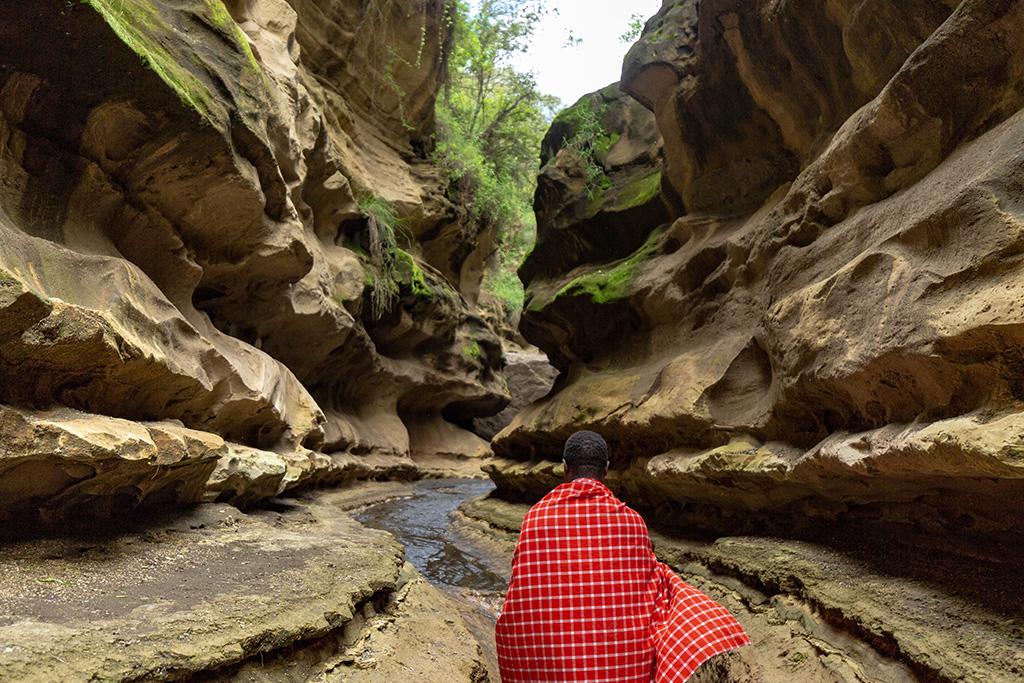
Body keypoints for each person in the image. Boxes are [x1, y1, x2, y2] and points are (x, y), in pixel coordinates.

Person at [495, 430, 750, 682]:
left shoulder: (537, 519)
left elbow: (521, 595)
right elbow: (649, 591)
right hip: (624, 674)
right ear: (606, 469)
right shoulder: (630, 521)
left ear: (565, 468)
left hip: (553, 671)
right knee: (664, 583)